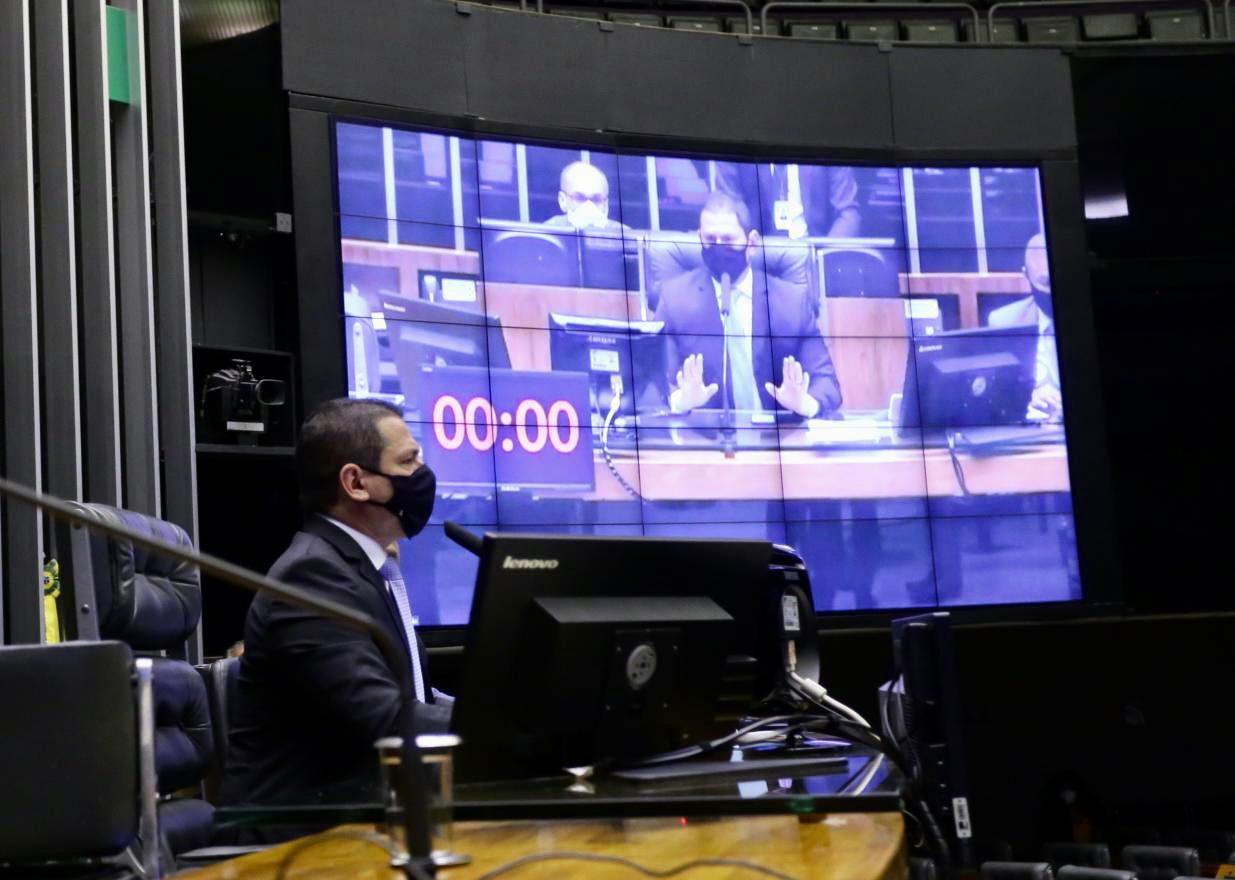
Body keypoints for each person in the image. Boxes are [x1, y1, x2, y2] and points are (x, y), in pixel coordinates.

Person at [222, 398, 450, 808]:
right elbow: (387, 720)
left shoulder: (363, 568)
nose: (423, 474)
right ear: (356, 482)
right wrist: (514, 734)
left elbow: (415, 697)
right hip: (299, 845)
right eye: (409, 461)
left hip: (376, 816)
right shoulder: (311, 577)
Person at [656, 192, 842, 418]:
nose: (718, 247)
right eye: (710, 239)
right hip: (705, 440)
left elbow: (827, 385)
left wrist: (803, 403)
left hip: (778, 439)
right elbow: (653, 386)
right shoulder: (675, 298)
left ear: (751, 243)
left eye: (727, 240)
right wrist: (681, 400)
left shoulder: (792, 301)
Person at [988, 233, 1062, 423]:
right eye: (1045, 282)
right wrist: (1030, 396)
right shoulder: (1004, 323)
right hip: (1034, 432)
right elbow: (1000, 398)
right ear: (1026, 276)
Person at [714, 161, 860, 239]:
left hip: (814, 255)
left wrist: (825, 262)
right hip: (756, 257)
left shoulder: (827, 141)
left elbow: (847, 214)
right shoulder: (737, 141)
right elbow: (730, 208)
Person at [543, 160, 627, 231]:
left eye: (596, 199)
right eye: (579, 198)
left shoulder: (623, 234)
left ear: (605, 204)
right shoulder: (547, 232)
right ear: (562, 200)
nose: (589, 206)